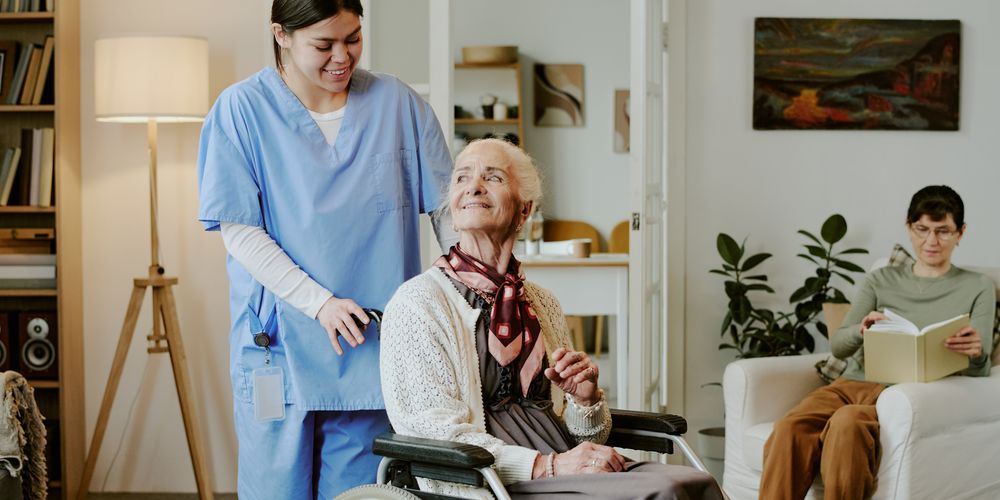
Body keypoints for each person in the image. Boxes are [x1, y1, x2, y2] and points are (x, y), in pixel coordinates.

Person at [196, 0, 455, 497]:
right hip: (281, 344)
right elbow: (240, 230)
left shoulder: (397, 104)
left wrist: (467, 298)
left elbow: (448, 213)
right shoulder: (241, 111)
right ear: (281, 35)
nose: (343, 56)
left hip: (370, 346)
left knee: (360, 493)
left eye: (353, 38)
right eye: (323, 44)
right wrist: (321, 303)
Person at [379, 138, 725, 499]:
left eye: (493, 177)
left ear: (524, 209)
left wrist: (585, 400)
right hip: (495, 481)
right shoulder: (419, 304)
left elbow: (583, 439)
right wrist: (548, 466)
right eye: (462, 178)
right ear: (452, 203)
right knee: (661, 494)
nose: (474, 187)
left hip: (563, 463)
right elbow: (432, 431)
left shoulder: (540, 302)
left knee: (692, 482)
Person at [759, 185, 995, 500]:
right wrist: (861, 330)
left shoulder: (978, 286)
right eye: (922, 229)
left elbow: (981, 368)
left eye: (943, 231)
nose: (931, 241)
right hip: (852, 382)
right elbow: (840, 346)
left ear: (960, 233)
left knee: (848, 424)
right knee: (790, 428)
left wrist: (976, 352)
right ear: (908, 226)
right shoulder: (880, 279)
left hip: (908, 396)